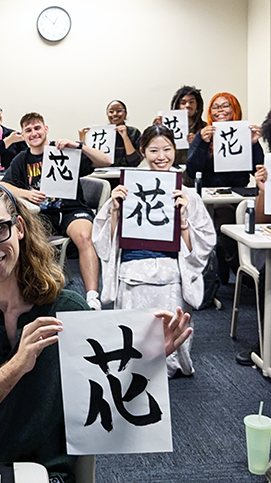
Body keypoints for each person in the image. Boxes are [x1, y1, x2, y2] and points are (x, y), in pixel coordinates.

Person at [0, 179, 193, 482]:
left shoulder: (68, 309)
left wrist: (144, 358)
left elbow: (102, 400)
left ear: (19, 227)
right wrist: (17, 365)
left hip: (42, 472)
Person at [92, 125, 215, 377]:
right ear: (142, 151)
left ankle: (169, 360)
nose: (161, 156)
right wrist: (116, 209)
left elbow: (204, 243)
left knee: (167, 318)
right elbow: (107, 239)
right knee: (131, 339)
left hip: (170, 265)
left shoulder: (188, 194)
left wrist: (182, 224)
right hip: (132, 264)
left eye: (167, 149)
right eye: (154, 150)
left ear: (175, 150)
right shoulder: (128, 189)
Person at [1, 112, 113, 310]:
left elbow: (106, 161)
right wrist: (25, 193)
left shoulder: (64, 151)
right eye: (28, 130)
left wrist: (78, 145)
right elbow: (4, 185)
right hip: (42, 216)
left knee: (85, 236)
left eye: (37, 128)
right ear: (23, 135)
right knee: (20, 238)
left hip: (72, 210)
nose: (33, 133)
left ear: (46, 129)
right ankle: (35, 295)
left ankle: (92, 297)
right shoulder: (21, 160)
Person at [184, 92, 265, 284]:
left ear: (235, 109)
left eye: (226, 105)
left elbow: (259, 171)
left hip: (239, 195)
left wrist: (254, 144)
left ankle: (244, 267)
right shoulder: (203, 134)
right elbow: (192, 169)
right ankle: (237, 265)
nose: (220, 110)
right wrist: (203, 143)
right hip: (211, 197)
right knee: (224, 220)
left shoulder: (246, 133)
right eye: (215, 106)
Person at [154, 85, 205, 164]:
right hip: (171, 168)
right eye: (183, 103)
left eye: (191, 102)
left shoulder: (204, 127)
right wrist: (157, 129)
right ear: (178, 105)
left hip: (195, 171)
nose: (187, 105)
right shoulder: (167, 125)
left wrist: (198, 142)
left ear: (197, 105)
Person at [81, 100, 141, 167]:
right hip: (102, 174)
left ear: (125, 113)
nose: (115, 114)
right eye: (111, 112)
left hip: (126, 174)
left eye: (119, 111)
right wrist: (82, 141)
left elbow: (134, 162)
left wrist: (125, 137)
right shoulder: (100, 133)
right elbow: (88, 161)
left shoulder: (134, 132)